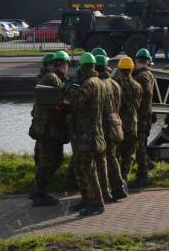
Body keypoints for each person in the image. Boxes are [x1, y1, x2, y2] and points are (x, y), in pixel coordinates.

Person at [63, 52, 106, 216]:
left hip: (88, 133)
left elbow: (79, 99)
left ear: (83, 67)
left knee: (88, 168)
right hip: (91, 131)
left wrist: (66, 89)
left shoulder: (89, 83)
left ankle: (97, 203)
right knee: (82, 166)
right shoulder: (99, 81)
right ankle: (87, 199)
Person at [28, 50, 68, 206]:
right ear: (62, 65)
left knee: (50, 159)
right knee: (49, 161)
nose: (66, 68)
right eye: (66, 64)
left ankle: (37, 191)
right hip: (48, 129)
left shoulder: (50, 78)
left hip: (46, 127)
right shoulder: (52, 78)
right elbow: (58, 103)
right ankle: (39, 194)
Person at [95, 55, 127, 202]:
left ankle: (104, 191)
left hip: (102, 124)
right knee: (112, 156)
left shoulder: (98, 84)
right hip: (115, 123)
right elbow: (119, 104)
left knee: (101, 159)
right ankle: (119, 188)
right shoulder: (115, 83)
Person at [113, 56, 141, 184]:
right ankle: (124, 177)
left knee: (115, 152)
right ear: (131, 68)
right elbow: (138, 105)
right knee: (129, 153)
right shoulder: (137, 86)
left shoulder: (114, 84)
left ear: (119, 68)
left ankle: (114, 179)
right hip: (132, 123)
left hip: (117, 124)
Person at [130, 48, 154, 188]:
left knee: (139, 144)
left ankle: (143, 175)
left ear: (136, 61)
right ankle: (147, 163)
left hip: (141, 115)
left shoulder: (140, 77)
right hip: (147, 114)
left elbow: (142, 96)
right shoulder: (149, 74)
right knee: (142, 143)